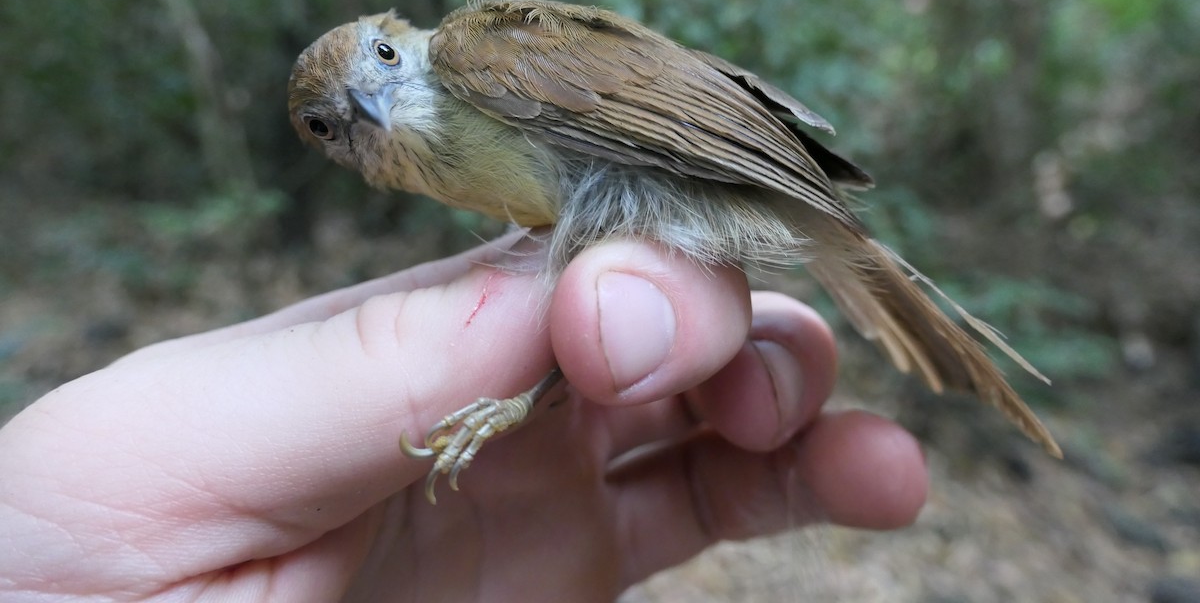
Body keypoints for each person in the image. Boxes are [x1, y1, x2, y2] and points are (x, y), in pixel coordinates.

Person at [0, 235, 927, 601]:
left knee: (607, 311)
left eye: (380, 61)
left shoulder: (484, 50)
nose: (368, 106)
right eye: (335, 125)